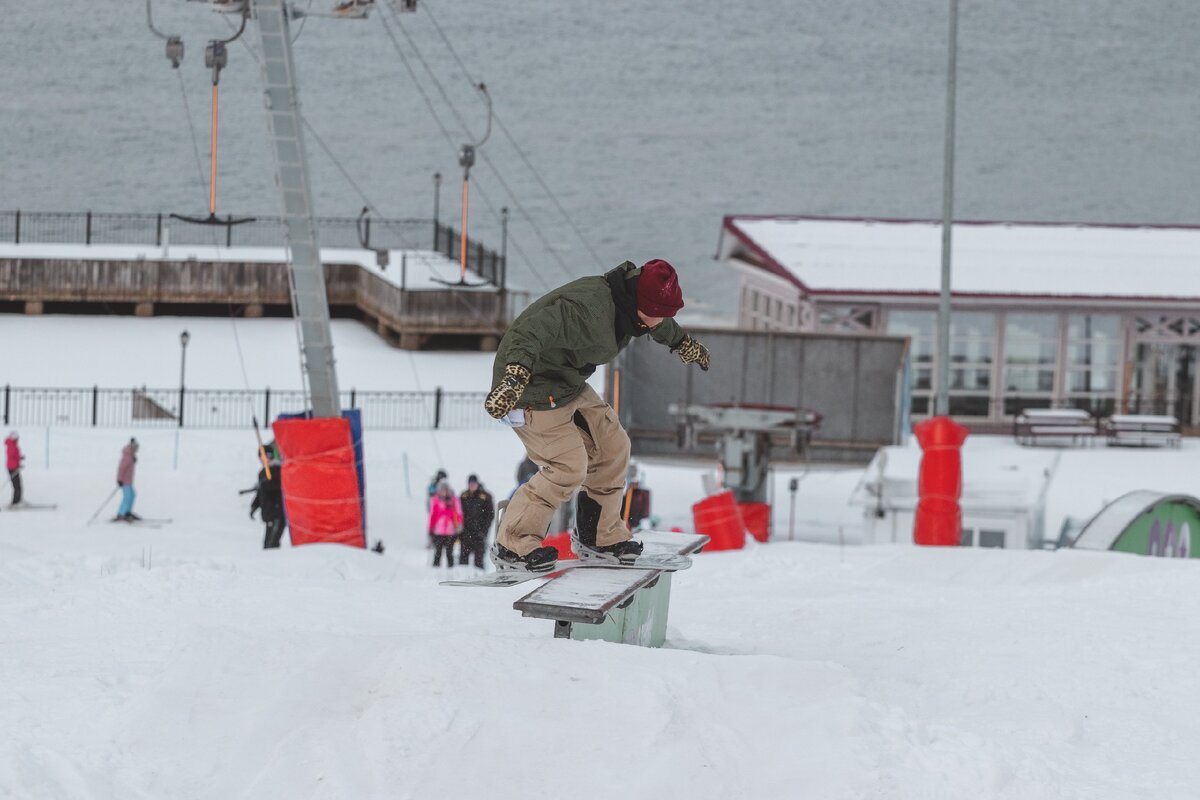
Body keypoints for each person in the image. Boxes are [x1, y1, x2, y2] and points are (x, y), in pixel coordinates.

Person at [483, 258, 709, 572]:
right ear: (638, 303)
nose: (662, 321)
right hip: (530, 389)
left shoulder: (633, 307)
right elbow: (529, 332)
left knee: (614, 448)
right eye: (659, 313)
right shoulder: (585, 309)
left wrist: (682, 342)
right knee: (567, 467)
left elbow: (658, 319)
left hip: (567, 383)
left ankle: (598, 537)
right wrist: (515, 376)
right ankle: (513, 544)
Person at [249, 447, 286, 549]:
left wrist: (266, 484)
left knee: (271, 545)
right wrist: (254, 506)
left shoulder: (278, 469)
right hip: (268, 514)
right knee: (267, 545)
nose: (265, 459)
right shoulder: (263, 473)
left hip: (277, 513)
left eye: (268, 456)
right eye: (262, 456)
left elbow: (279, 486)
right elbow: (261, 493)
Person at [458, 474, 495, 569]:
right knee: (463, 559)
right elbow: (459, 513)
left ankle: (479, 578)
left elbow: (490, 515)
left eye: (474, 483)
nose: (472, 486)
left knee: (478, 560)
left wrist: (484, 530)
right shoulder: (464, 496)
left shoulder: (485, 496)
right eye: (470, 484)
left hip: (480, 533)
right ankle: (462, 578)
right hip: (466, 532)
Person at [427, 480, 462, 568]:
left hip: (451, 531)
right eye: (442, 490)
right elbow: (433, 515)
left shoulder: (454, 500)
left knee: (449, 552)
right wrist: (431, 528)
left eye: (445, 490)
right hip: (439, 531)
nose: (444, 492)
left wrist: (459, 525)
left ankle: (451, 569)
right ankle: (435, 569)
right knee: (437, 552)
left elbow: (458, 514)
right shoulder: (435, 500)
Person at [115, 437, 140, 522]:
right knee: (127, 497)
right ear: (132, 447)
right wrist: (119, 480)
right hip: (125, 481)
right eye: (136, 447)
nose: (137, 449)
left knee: (132, 495)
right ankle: (121, 514)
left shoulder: (131, 456)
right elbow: (121, 468)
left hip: (129, 481)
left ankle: (127, 512)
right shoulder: (127, 457)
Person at [4, 431, 23, 508]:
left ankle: (17, 500)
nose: (18, 440)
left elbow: (14, 456)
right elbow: (12, 458)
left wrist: (19, 458)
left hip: (13, 467)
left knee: (18, 485)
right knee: (17, 486)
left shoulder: (12, 445)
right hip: (13, 468)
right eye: (17, 438)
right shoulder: (12, 446)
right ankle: (15, 502)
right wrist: (16, 465)